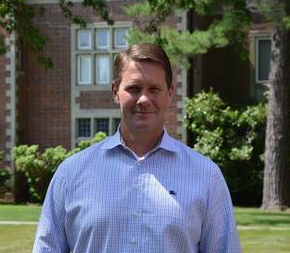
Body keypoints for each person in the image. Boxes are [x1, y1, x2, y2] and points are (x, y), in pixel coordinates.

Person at [33, 43, 241, 252]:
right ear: (115, 92)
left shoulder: (206, 176)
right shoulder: (71, 173)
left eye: (154, 89)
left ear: (169, 93)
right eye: (134, 88)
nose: (144, 99)